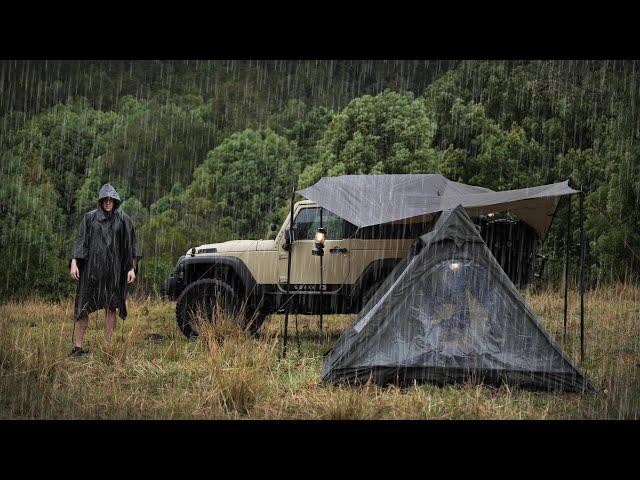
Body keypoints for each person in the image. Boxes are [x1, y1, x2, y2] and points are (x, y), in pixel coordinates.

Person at [68, 183, 142, 357]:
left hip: (113, 272)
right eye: (105, 199)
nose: (108, 202)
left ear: (115, 201)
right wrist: (74, 262)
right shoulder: (89, 218)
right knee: (83, 307)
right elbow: (80, 241)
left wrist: (131, 267)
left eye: (111, 200)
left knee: (111, 307)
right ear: (101, 200)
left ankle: (107, 347)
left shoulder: (124, 220)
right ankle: (77, 347)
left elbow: (131, 245)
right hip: (90, 272)